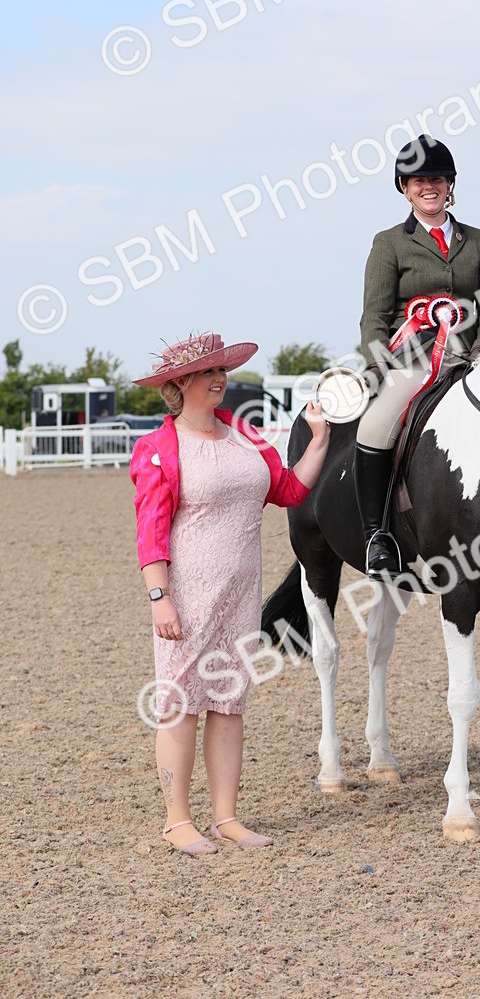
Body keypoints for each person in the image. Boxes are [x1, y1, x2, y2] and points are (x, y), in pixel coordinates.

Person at [130, 331, 329, 855]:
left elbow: (285, 490)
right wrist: (160, 597)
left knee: (228, 703)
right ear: (181, 383)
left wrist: (320, 440)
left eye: (223, 370)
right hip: (187, 596)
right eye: (208, 371)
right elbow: (150, 531)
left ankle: (226, 817)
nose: (221, 378)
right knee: (179, 704)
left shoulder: (245, 434)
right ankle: (177, 820)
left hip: (241, 595)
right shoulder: (158, 449)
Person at [357, 135, 480, 577]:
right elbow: (374, 314)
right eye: (419, 180)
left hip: (471, 358)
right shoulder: (389, 243)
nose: (429, 187)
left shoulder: (477, 240)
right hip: (411, 360)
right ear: (405, 187)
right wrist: (380, 365)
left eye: (437, 179)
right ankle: (376, 536)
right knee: (375, 425)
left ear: (450, 184)